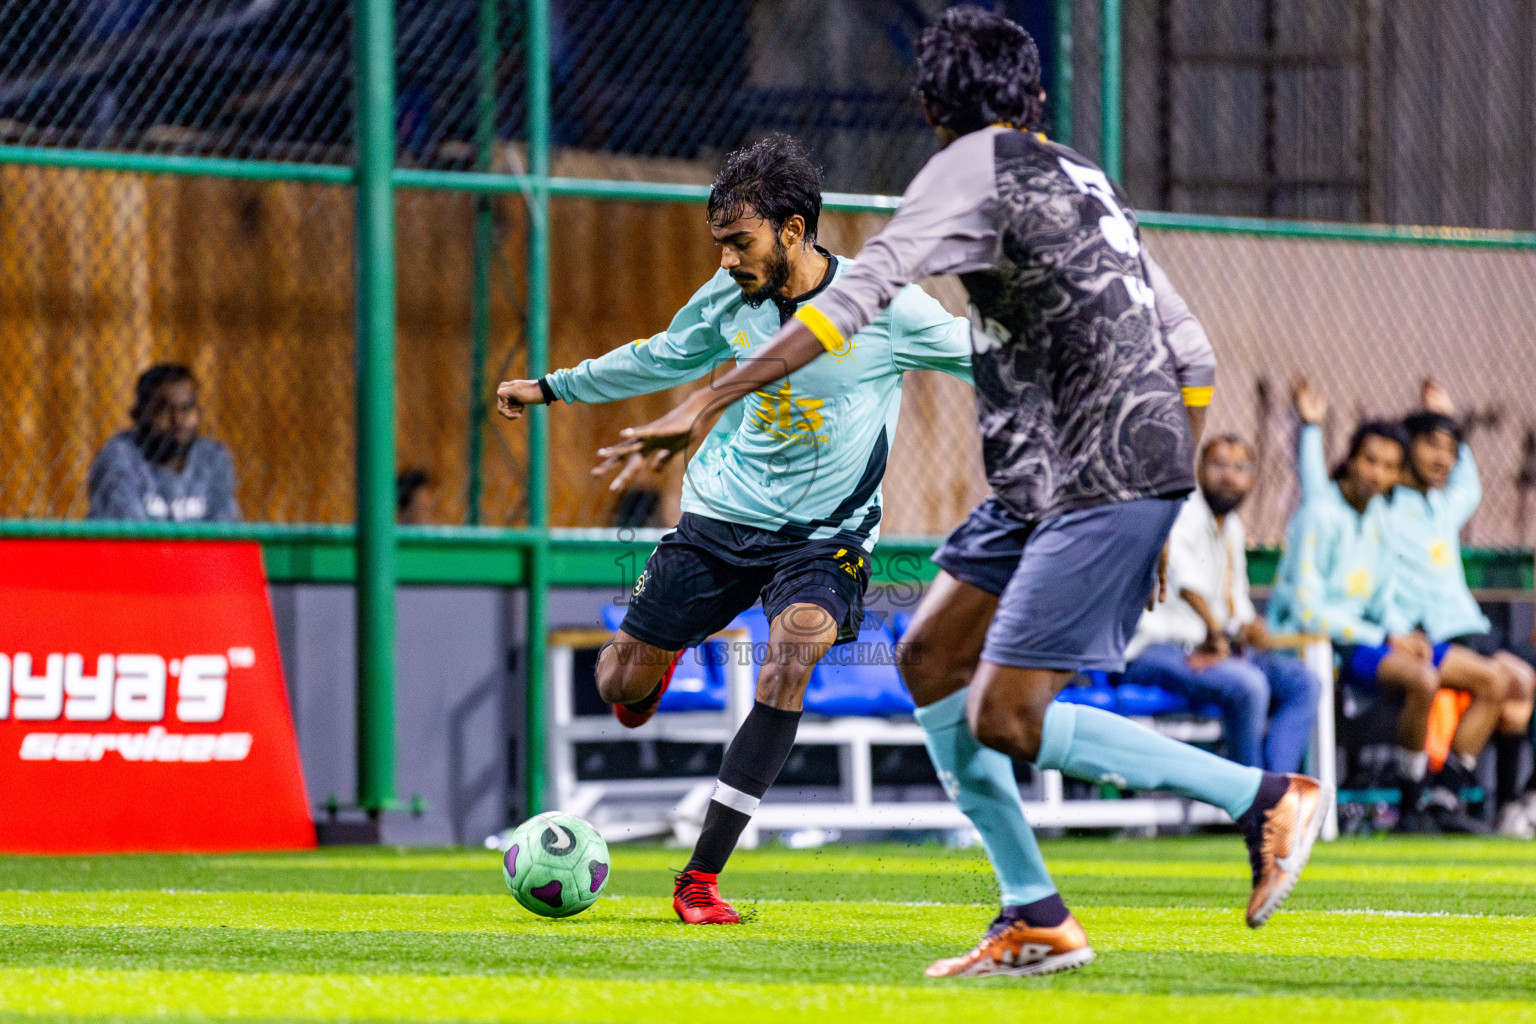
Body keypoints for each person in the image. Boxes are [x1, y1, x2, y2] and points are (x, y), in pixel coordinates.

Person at [601, 7, 1327, 978]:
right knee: (933, 656)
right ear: (1032, 95)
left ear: (935, 105)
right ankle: (1035, 912)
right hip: (1088, 464)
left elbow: (849, 304)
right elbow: (1188, 351)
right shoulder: (1081, 176)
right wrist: (1168, 503)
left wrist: (705, 402)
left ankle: (1261, 793)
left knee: (1004, 713)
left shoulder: (961, 171)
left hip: (1086, 467)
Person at [495, 134, 975, 925]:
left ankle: (700, 878)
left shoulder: (887, 306)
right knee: (620, 682)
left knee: (791, 657)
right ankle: (668, 644)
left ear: (794, 230)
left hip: (825, 538)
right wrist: (552, 388)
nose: (725, 261)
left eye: (738, 243)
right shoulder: (730, 300)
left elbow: (979, 357)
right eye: (719, 244)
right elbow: (661, 358)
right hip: (720, 521)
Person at [1277, 382, 1505, 833]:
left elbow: (1382, 598)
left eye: (1389, 466)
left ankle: (1444, 793)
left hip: (1381, 637)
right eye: (1370, 461)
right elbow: (1307, 610)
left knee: (1494, 682)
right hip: (1332, 643)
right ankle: (1411, 801)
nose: (1378, 474)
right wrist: (1310, 428)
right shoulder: (1322, 514)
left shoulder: (1381, 515)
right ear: (1352, 459)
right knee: (1424, 679)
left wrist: (1402, 632)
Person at [1388, 381, 1535, 835]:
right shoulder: (1385, 508)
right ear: (1406, 447)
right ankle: (1489, 799)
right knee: (1518, 684)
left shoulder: (1441, 507)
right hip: (1435, 633)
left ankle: (1511, 802)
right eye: (1433, 445)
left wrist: (1454, 422)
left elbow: (1467, 485)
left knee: (1516, 706)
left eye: (1452, 450)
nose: (1444, 458)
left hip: (1473, 628)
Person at [1124, 436, 1319, 774]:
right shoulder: (1182, 509)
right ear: (1199, 469)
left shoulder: (1232, 527)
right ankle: (1252, 798)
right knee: (1248, 685)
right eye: (1218, 465)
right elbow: (1184, 579)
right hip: (1155, 649)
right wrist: (1216, 633)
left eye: (1240, 468)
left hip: (1213, 650)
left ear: (1253, 479)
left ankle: (1277, 786)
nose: (1229, 476)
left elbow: (1237, 607)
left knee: (1304, 682)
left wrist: (1248, 627)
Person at [87, 363, 240, 522]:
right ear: (139, 415)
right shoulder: (120, 456)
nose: (178, 420)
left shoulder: (212, 458)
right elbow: (129, 537)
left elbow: (225, 531)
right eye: (164, 410)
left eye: (186, 408)